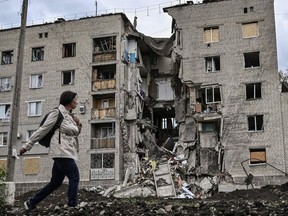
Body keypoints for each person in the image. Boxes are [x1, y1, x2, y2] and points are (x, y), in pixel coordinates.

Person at [19, 90, 82, 210]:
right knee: (74, 176)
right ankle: (72, 205)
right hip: (61, 151)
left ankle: (31, 202)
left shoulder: (69, 117)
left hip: (68, 151)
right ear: (69, 100)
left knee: (56, 182)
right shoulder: (57, 113)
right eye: (75, 99)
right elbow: (42, 130)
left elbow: (75, 133)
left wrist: (78, 124)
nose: (77, 102)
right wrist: (27, 146)